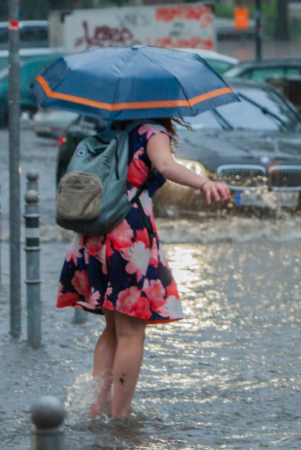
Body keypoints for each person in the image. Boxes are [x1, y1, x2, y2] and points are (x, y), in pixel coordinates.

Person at [56, 120, 231, 418]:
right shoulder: (151, 130)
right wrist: (204, 182)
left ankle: (96, 408)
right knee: (131, 333)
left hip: (97, 232)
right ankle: (120, 418)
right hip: (129, 234)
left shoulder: (111, 129)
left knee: (111, 329)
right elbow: (165, 165)